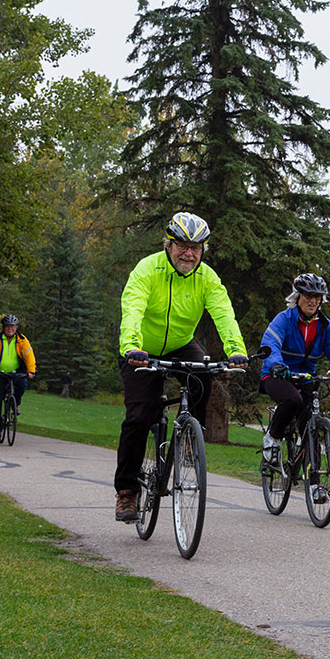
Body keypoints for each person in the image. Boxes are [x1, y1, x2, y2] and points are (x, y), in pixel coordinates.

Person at [113, 212, 249, 522]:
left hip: (179, 343)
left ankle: (191, 434)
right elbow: (132, 307)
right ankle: (126, 492)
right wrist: (132, 346)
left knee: (203, 372)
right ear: (169, 245)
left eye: (196, 248)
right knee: (138, 417)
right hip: (140, 348)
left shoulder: (207, 278)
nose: (189, 253)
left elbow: (224, 315)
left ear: (203, 251)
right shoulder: (147, 269)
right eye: (183, 246)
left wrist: (236, 350)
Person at [258, 273, 330, 468]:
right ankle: (273, 438)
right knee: (292, 399)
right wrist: (277, 365)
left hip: (305, 379)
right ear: (298, 296)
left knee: (310, 427)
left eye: (317, 297)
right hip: (276, 374)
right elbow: (270, 345)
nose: (313, 301)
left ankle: (315, 484)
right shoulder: (284, 319)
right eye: (308, 295)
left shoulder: (324, 326)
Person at [0, 314, 37, 437]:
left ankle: (15, 404)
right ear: (3, 327)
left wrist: (31, 370)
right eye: (7, 326)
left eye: (13, 326)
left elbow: (29, 355)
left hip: (16, 371)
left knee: (22, 384)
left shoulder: (22, 340)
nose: (10, 329)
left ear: (16, 327)